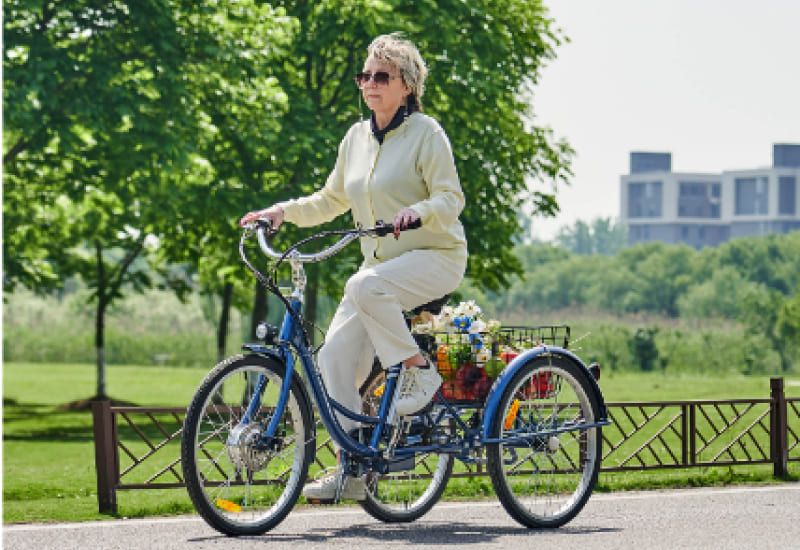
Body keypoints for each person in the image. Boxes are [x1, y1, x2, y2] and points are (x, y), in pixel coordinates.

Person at [239, 33, 468, 501]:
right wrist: (281, 211)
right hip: (380, 275)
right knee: (332, 357)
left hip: (435, 258)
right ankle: (355, 470)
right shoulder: (356, 138)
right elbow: (331, 200)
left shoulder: (428, 134)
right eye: (364, 75)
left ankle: (417, 369)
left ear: (406, 84)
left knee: (363, 285)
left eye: (380, 76)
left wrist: (417, 212)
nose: (369, 83)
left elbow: (451, 197)